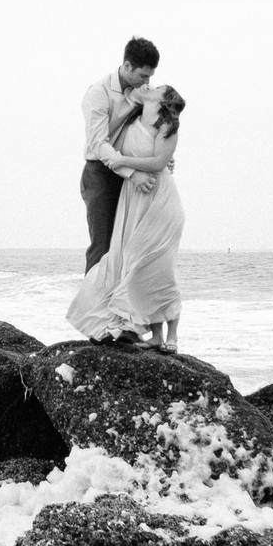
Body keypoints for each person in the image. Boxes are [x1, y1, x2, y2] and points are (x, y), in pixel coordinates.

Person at [67, 82, 188, 349]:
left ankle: (172, 336)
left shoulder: (167, 126)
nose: (149, 85)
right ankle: (139, 330)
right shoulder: (132, 120)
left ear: (163, 100)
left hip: (160, 201)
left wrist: (125, 161)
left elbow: (157, 163)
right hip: (133, 199)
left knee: (159, 266)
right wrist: (125, 162)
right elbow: (107, 147)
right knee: (135, 263)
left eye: (156, 86)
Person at [80, 37, 160, 272]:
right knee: (103, 247)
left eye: (150, 76)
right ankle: (91, 307)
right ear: (127, 66)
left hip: (132, 170)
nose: (147, 82)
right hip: (99, 175)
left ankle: (120, 306)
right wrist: (132, 173)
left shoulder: (143, 92)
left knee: (130, 246)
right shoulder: (99, 92)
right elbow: (98, 144)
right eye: (143, 76)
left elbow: (151, 127)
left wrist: (160, 158)